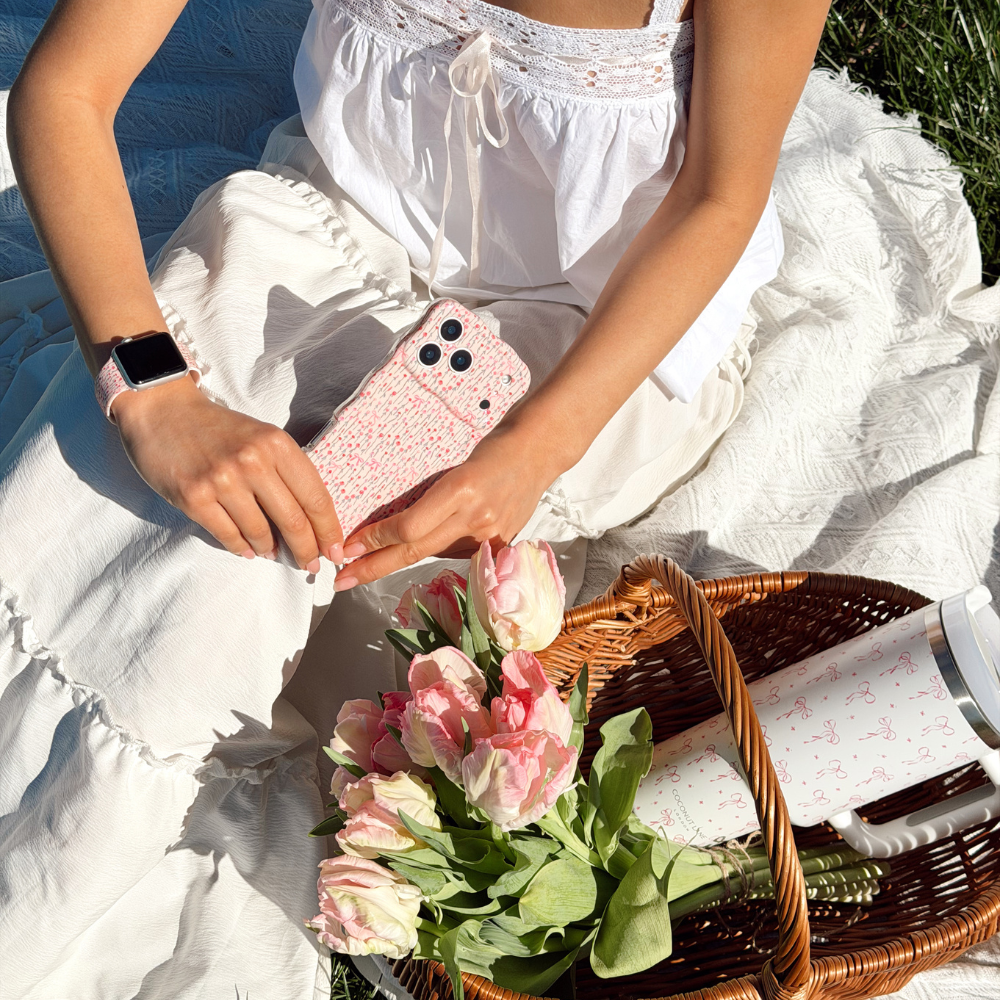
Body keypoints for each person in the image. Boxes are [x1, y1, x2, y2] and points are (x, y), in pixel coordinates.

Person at [0, 0, 831, 995]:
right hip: (319, 230)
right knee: (119, 533)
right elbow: (65, 89)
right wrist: (151, 393)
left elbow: (716, 200)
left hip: (590, 331)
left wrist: (529, 451)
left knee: (263, 574)